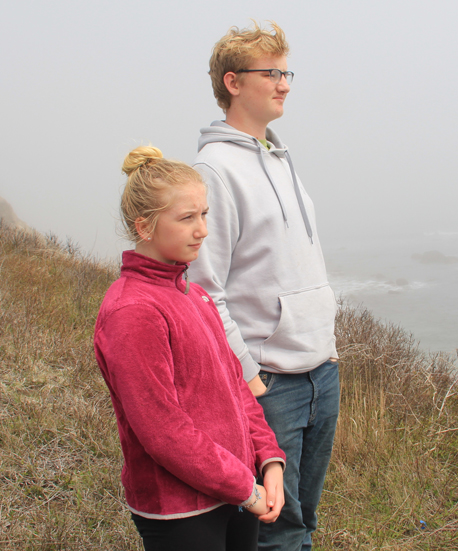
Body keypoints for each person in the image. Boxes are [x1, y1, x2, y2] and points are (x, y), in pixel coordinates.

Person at [188, 22, 340, 551]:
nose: (284, 84)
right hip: (273, 381)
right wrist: (249, 378)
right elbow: (205, 291)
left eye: (285, 72)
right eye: (271, 73)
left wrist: (329, 350)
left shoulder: (280, 157)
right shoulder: (214, 169)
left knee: (305, 522)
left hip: (321, 372)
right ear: (233, 82)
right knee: (275, 530)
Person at [93, 146, 286, 551]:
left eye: (204, 214)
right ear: (144, 227)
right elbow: (163, 431)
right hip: (181, 510)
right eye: (186, 218)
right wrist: (245, 489)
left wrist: (268, 460)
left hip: (235, 493)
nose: (203, 230)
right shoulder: (132, 310)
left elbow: (238, 389)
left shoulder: (195, 295)